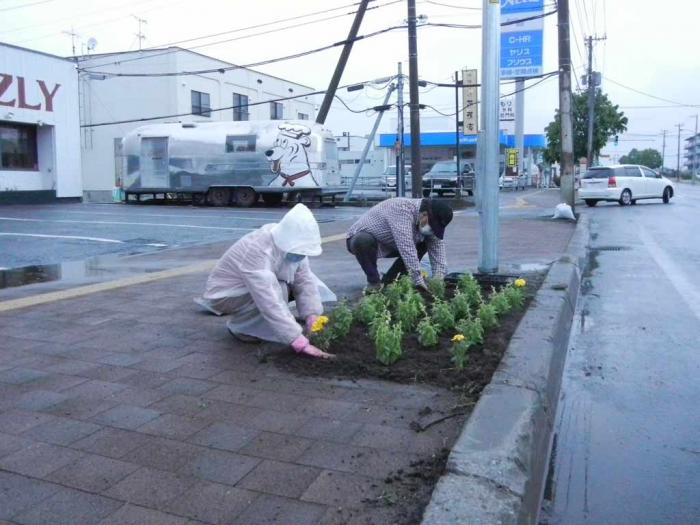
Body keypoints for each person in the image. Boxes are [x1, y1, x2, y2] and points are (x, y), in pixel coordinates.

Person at [194, 204, 334, 359]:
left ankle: (270, 325)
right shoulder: (257, 248)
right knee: (279, 291)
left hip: (250, 289)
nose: (301, 255)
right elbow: (268, 299)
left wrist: (311, 315)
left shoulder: (295, 244)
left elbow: (304, 281)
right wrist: (298, 341)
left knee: (309, 282)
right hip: (225, 295)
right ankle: (241, 328)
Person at [346, 197, 453, 289]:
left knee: (424, 243)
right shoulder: (402, 209)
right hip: (365, 241)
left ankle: (390, 281)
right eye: (431, 225)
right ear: (424, 214)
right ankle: (374, 282)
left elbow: (438, 248)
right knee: (363, 240)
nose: (431, 229)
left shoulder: (427, 219)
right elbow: (407, 248)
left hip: (393, 244)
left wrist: (438, 280)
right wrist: (418, 281)